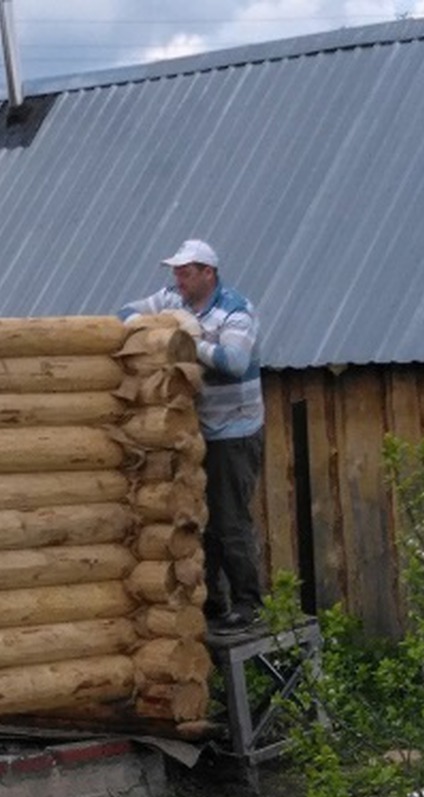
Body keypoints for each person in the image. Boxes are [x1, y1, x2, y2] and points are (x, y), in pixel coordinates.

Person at [119, 239, 265, 632]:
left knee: (229, 519)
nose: (177, 280)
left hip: (234, 430)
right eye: (175, 273)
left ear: (208, 273)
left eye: (185, 273)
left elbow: (233, 362)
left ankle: (249, 604)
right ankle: (212, 601)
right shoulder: (172, 299)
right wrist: (150, 327)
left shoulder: (235, 310)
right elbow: (124, 314)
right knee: (196, 515)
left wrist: (187, 342)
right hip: (194, 432)